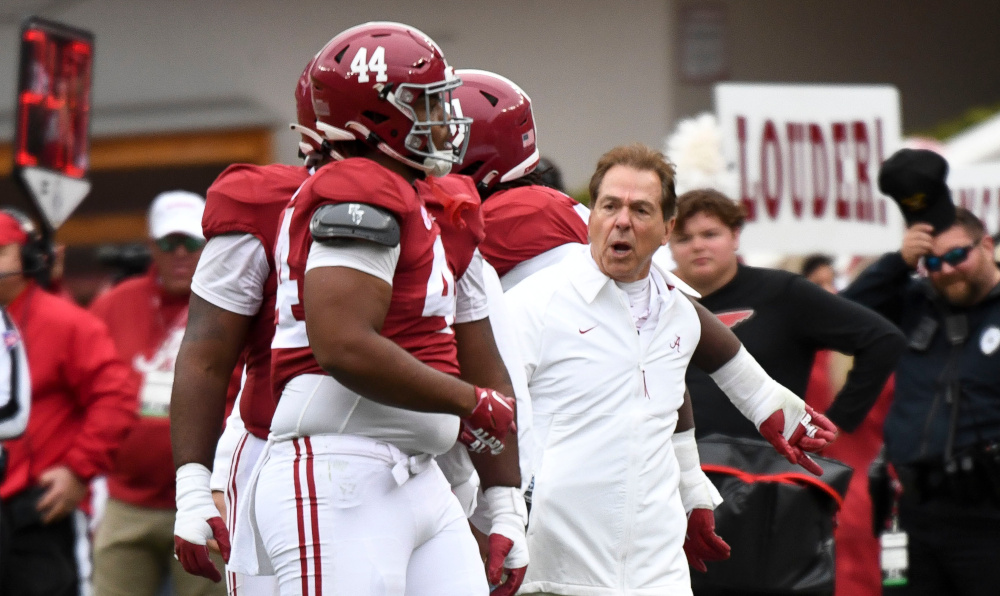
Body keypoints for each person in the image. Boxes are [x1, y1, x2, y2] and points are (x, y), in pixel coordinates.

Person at [226, 23, 517, 596]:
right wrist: (469, 402)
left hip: (412, 473)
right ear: (375, 115)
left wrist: (502, 499)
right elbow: (342, 344)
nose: (444, 120)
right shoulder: (359, 185)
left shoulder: (415, 196)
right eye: (426, 104)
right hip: (341, 472)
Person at [506, 144, 836, 596]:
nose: (621, 221)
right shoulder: (534, 302)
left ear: (666, 229)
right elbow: (493, 411)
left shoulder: (676, 310)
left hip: (656, 567)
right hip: (557, 566)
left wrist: (693, 491)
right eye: (609, 206)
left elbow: (666, 397)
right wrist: (497, 514)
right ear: (591, 217)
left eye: (640, 209)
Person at [668, 189, 905, 595]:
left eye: (710, 233)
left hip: (770, 494)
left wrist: (838, 423)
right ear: (668, 243)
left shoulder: (782, 293)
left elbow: (883, 339)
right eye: (685, 237)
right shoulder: (656, 300)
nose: (698, 246)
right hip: (679, 486)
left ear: (736, 235)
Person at [841, 151, 1000, 596]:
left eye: (956, 255)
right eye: (932, 262)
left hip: (988, 515)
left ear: (985, 244)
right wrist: (896, 263)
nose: (945, 270)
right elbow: (841, 317)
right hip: (911, 510)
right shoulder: (915, 302)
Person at [90, 190, 228, 596]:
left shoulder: (229, 303)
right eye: (169, 243)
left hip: (204, 497)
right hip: (126, 499)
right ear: (152, 246)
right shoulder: (114, 304)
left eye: (190, 242)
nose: (180, 253)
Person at [0, 210, 137, 596]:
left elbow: (115, 396)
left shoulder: (66, 323)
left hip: (40, 513)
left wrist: (78, 471)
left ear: (28, 258)